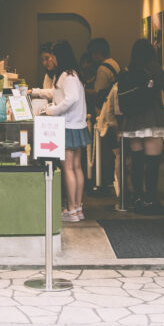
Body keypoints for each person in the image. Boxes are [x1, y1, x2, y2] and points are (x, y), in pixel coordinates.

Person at [119, 38, 164, 215]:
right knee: (152, 162)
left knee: (137, 160)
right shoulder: (153, 66)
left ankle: (137, 198)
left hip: (132, 120)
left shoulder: (131, 68)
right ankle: (150, 200)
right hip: (151, 118)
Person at [44, 40, 90, 223]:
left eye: (53, 55)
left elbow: (71, 99)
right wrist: (38, 92)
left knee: (68, 168)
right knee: (77, 167)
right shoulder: (73, 74)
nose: (51, 59)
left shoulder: (66, 76)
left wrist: (52, 111)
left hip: (67, 126)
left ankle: (71, 210)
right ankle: (77, 208)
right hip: (77, 126)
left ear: (59, 56)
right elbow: (59, 95)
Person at [86, 38, 121, 193]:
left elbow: (98, 92)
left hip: (105, 114)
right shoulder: (115, 64)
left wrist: (82, 90)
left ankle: (105, 180)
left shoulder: (102, 69)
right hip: (117, 113)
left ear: (97, 53)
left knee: (108, 151)